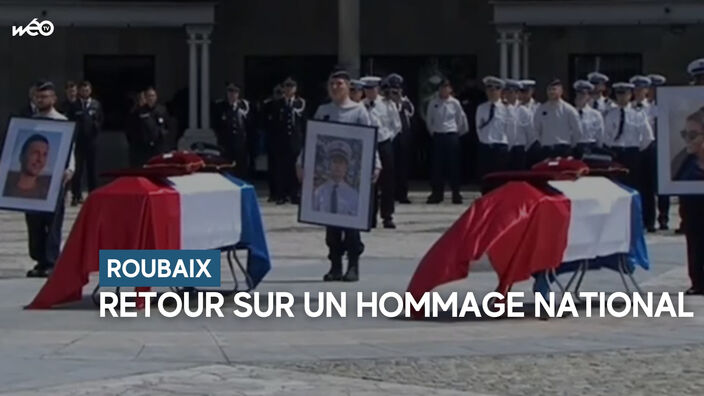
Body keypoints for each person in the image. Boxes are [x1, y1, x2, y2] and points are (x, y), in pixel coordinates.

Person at [297, 69, 380, 282]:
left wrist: (375, 165)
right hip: (328, 173)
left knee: (351, 222)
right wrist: (301, 163)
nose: (335, 88)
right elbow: (312, 140)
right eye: (332, 84)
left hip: (352, 175)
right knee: (330, 221)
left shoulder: (359, 111)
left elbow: (371, 141)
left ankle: (353, 265)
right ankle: (335, 265)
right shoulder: (323, 110)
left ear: (348, 87)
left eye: (339, 84)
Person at [23, 80, 74, 278]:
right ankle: (39, 260)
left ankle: (52, 261)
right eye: (38, 96)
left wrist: (69, 169)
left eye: (45, 96)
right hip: (34, 180)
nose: (41, 99)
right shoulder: (30, 122)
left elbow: (71, 149)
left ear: (53, 98)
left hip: (55, 180)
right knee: (34, 221)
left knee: (53, 222)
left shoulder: (62, 121)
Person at [603, 82, 654, 206]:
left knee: (635, 185)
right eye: (619, 94)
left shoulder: (638, 114)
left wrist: (637, 150)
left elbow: (648, 137)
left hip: (633, 153)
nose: (621, 97)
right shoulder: (610, 114)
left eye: (624, 94)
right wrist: (613, 147)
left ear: (630, 95)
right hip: (616, 153)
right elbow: (605, 136)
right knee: (616, 185)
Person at [673, 108, 704, 294]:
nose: (688, 140)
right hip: (692, 206)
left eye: (693, 135)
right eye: (685, 134)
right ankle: (698, 282)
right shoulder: (683, 161)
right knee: (694, 243)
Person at [364, 75, 401, 228]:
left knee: (387, 181)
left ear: (378, 89)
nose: (370, 92)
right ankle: (369, 216)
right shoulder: (360, 105)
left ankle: (387, 216)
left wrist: (387, 138)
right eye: (367, 89)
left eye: (373, 88)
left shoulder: (387, 104)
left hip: (384, 143)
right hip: (368, 144)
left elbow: (396, 125)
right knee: (369, 182)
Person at [425, 77, 468, 204]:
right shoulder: (433, 103)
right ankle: (437, 194)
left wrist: (455, 132)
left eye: (446, 87)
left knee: (454, 166)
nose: (443, 90)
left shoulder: (455, 103)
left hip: (451, 136)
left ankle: (456, 193)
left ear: (450, 89)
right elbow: (429, 120)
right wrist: (434, 133)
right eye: (441, 88)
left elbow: (461, 120)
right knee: (437, 167)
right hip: (438, 136)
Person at [66, 80, 103, 206]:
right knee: (78, 170)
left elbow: (101, 119)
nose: (85, 92)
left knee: (92, 170)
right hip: (79, 142)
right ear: (79, 91)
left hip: (92, 142)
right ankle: (76, 195)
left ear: (90, 91)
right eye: (82, 90)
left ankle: (94, 195)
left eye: (87, 90)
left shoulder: (96, 105)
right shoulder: (74, 105)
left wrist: (95, 126)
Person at [270, 77, 306, 204]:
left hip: (296, 141)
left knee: (295, 168)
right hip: (281, 142)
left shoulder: (301, 103)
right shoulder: (277, 104)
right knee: (281, 169)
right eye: (286, 86)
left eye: (291, 86)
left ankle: (295, 194)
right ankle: (281, 194)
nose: (289, 89)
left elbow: (304, 123)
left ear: (295, 89)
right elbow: (273, 124)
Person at [630, 75, 658, 232]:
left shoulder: (653, 108)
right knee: (636, 185)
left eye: (642, 89)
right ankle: (637, 219)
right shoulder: (630, 108)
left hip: (650, 149)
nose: (639, 92)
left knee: (649, 187)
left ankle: (650, 221)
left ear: (647, 91)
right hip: (634, 150)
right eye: (636, 89)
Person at [534, 79, 582, 159]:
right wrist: (543, 142)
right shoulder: (541, 109)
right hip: (546, 150)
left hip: (563, 149)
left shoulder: (569, 110)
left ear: (561, 91)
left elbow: (577, 131)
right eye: (549, 89)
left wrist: (570, 144)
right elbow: (536, 129)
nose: (551, 92)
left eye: (554, 89)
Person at [387, 74, 415, 204]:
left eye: (397, 88)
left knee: (403, 167)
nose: (395, 91)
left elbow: (411, 112)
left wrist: (399, 101)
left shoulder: (405, 102)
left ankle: (402, 194)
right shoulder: (385, 103)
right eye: (393, 88)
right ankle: (390, 194)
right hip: (391, 137)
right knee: (390, 168)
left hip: (403, 138)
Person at [213, 83, 250, 179]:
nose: (232, 94)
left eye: (235, 91)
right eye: (230, 91)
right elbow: (216, 125)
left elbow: (248, 126)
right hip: (226, 145)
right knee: (226, 169)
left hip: (240, 145)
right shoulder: (220, 107)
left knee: (241, 170)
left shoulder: (243, 107)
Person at [126, 87, 170, 167]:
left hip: (158, 147)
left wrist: (162, 134)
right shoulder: (139, 111)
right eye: (149, 96)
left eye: (153, 96)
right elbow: (132, 127)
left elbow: (167, 126)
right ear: (145, 98)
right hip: (143, 147)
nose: (151, 98)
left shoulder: (162, 110)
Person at [648, 74, 670, 230]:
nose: (655, 90)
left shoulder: (667, 105)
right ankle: (650, 219)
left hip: (664, 145)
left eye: (658, 87)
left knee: (664, 185)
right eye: (653, 87)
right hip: (650, 146)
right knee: (649, 184)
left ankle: (664, 217)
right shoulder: (644, 107)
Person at [313, 140, 359, 216]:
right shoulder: (319, 192)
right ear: (329, 165)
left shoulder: (353, 195)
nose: (337, 166)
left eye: (341, 162)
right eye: (334, 161)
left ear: (346, 167)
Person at [3, 134, 51, 199]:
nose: (40, 160)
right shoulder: (5, 186)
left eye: (44, 155)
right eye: (35, 153)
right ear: (21, 157)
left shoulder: (46, 192)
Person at [504, 80, 534, 170]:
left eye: (511, 92)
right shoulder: (501, 109)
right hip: (504, 148)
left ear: (517, 94)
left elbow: (531, 133)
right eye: (506, 92)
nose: (508, 95)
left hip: (519, 148)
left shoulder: (523, 111)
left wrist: (525, 148)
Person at [262, 84, 284, 202]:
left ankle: (283, 193)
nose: (279, 95)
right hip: (272, 140)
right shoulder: (268, 105)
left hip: (284, 142)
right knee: (272, 169)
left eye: (281, 92)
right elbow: (263, 121)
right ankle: (273, 193)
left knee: (283, 169)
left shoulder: (285, 105)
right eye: (277, 92)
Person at [572, 80, 604, 158]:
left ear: (589, 96)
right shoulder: (570, 112)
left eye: (583, 94)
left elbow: (600, 135)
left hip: (590, 147)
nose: (580, 97)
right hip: (574, 148)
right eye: (578, 93)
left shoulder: (595, 114)